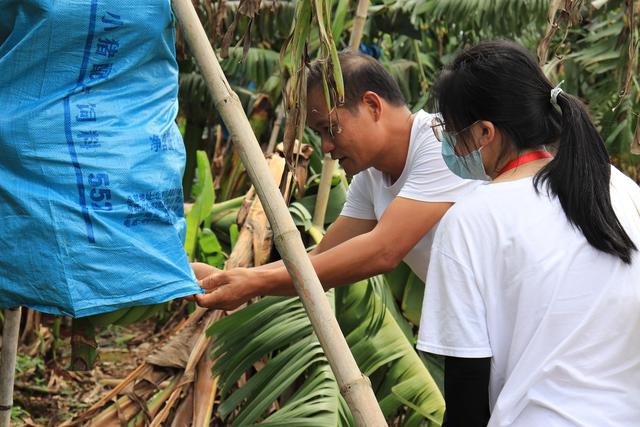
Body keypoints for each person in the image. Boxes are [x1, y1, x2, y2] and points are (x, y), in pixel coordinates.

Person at [417, 40, 640, 426]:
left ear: (485, 132)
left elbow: (466, 389)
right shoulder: (622, 189)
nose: (449, 146)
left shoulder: (471, 221)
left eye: (451, 133)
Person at [192, 52, 480, 309]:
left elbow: (383, 251)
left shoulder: (439, 143)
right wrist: (227, 279)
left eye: (330, 129)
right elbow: (321, 259)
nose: (326, 147)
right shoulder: (371, 175)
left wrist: (254, 282)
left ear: (372, 106)